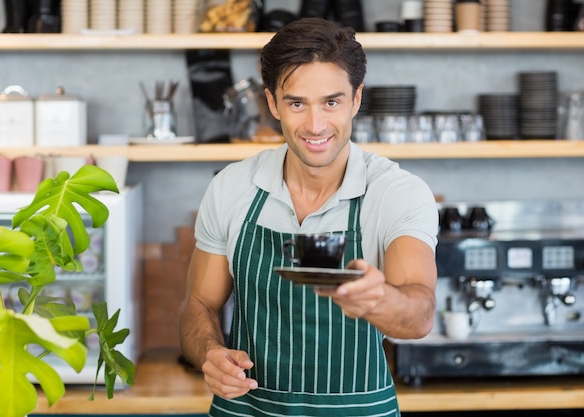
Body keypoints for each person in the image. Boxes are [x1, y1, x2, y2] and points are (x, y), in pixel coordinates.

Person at [178, 17, 438, 416]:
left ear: (356, 100)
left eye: (331, 102)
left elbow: (419, 314)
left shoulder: (395, 193)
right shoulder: (232, 187)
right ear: (272, 103)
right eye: (297, 103)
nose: (315, 126)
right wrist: (210, 354)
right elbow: (199, 303)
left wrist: (378, 298)